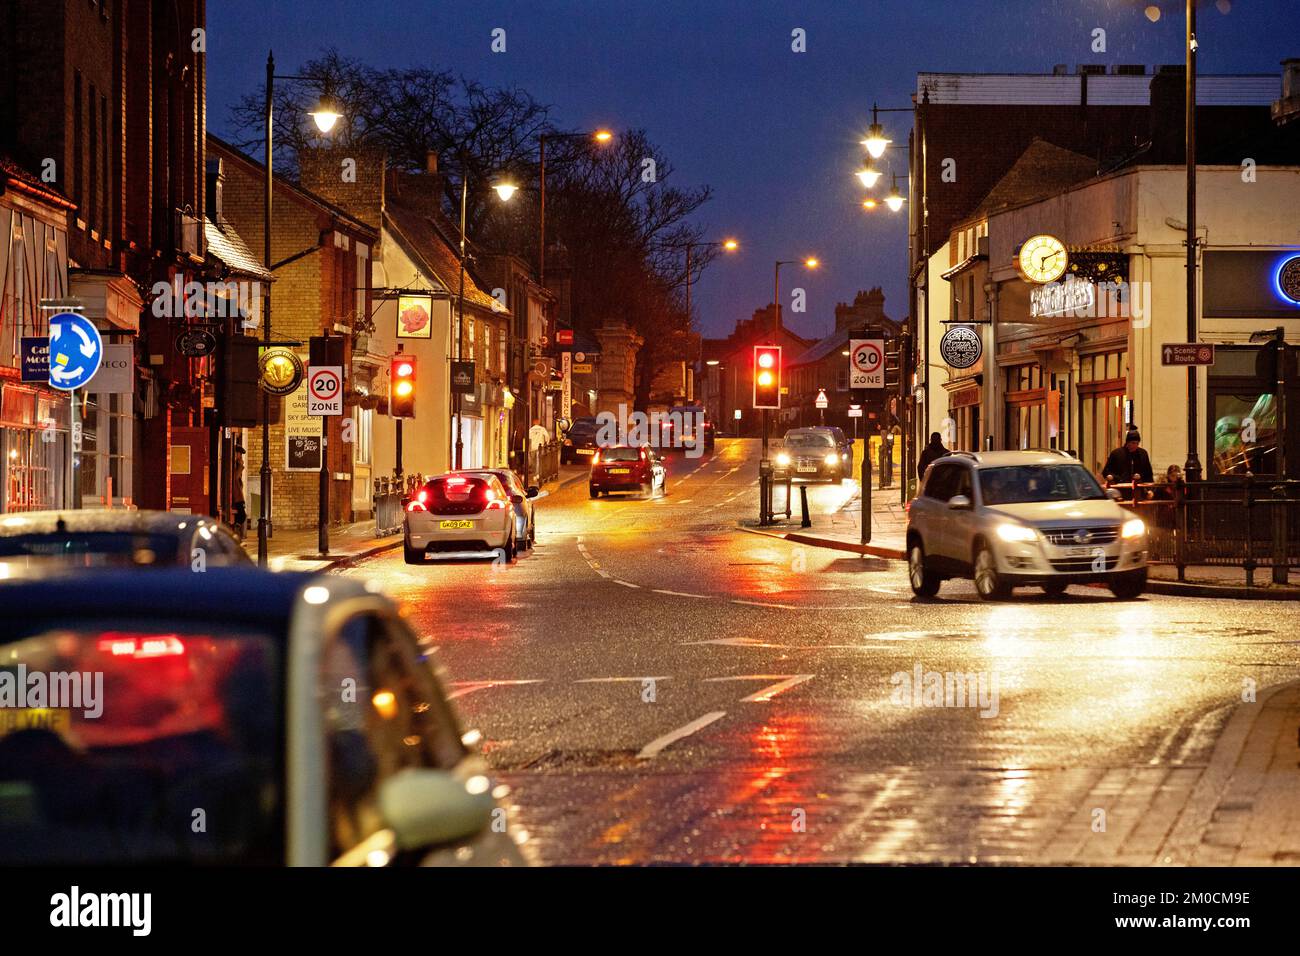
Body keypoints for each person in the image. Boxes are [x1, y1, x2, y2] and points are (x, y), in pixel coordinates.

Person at [231, 444, 247, 539]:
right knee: (241, 516)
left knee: (241, 516)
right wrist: (240, 466)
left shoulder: (236, 464)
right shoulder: (235, 465)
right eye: (239, 454)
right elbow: (235, 477)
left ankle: (236, 533)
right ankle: (235, 533)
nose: (240, 456)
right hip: (236, 496)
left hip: (238, 495)